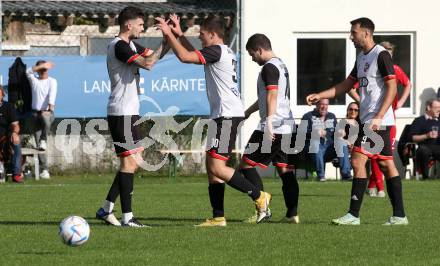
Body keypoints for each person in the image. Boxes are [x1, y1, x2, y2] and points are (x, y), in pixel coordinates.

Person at [156, 14, 272, 226]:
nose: (200, 37)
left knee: (218, 168)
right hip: (224, 115)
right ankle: (218, 217)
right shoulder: (220, 51)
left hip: (226, 116)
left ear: (213, 34)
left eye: (201, 34)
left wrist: (169, 34)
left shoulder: (217, 51)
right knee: (213, 167)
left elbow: (184, 57)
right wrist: (180, 35)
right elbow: (195, 53)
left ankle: (259, 196)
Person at [306, 17, 408, 225]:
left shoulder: (381, 55)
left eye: (354, 32)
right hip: (370, 120)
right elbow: (346, 84)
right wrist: (320, 94)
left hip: (377, 122)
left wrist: (378, 118)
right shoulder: (362, 58)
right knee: (386, 165)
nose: (351, 36)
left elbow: (393, 88)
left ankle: (353, 215)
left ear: (366, 33)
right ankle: (399, 215)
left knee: (357, 160)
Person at [95, 6, 170, 227]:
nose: (142, 27)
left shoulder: (129, 44)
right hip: (122, 111)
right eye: (140, 24)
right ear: (128, 25)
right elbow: (148, 64)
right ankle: (128, 217)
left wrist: (168, 38)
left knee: (132, 163)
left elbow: (154, 58)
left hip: (128, 111)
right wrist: (167, 39)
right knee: (130, 163)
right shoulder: (119, 46)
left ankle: (106, 208)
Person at [239, 33, 299, 224]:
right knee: (285, 170)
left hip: (274, 126)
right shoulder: (280, 64)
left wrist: (269, 124)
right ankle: (292, 214)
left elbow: (272, 96)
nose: (252, 58)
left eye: (252, 54)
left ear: (259, 49)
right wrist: (248, 112)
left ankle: (262, 207)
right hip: (287, 126)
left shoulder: (268, 67)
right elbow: (268, 96)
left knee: (246, 164)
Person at [349, 41, 412, 197]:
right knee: (371, 157)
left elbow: (408, 84)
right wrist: (361, 102)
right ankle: (378, 188)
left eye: (389, 52)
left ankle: (376, 188)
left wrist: (401, 103)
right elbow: (350, 86)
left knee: (382, 158)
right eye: (385, 51)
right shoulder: (370, 64)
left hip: (386, 118)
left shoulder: (395, 69)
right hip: (372, 117)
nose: (387, 55)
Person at [302, 99, 352, 181]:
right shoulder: (308, 116)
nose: (324, 107)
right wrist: (314, 133)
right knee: (315, 143)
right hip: (313, 149)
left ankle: (346, 175)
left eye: (326, 104)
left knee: (341, 143)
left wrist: (340, 133)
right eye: (322, 104)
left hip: (329, 149)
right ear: (317, 105)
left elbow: (336, 133)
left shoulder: (331, 116)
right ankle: (321, 176)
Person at [25, 60, 57, 179]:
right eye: (41, 68)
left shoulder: (52, 81)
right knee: (40, 146)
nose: (44, 70)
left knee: (45, 117)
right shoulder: (34, 80)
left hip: (48, 113)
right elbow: (27, 71)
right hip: (35, 115)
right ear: (38, 69)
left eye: (45, 68)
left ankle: (44, 138)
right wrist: (41, 65)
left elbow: (52, 97)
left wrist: (49, 108)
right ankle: (45, 170)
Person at [408, 99, 440, 179]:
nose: (439, 110)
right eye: (437, 107)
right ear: (429, 108)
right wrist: (427, 136)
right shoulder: (419, 121)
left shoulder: (438, 121)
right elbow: (413, 137)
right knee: (424, 151)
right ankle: (425, 177)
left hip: (437, 146)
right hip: (424, 146)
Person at [0, 85, 23, 183]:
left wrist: (14, 133)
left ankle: (16, 174)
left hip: (5, 138)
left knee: (16, 142)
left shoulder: (8, 107)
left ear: (2, 95)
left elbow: (16, 125)